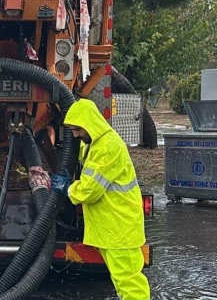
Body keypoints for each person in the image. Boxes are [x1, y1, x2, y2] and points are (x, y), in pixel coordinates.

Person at [50, 98, 151, 300]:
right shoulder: (94, 144)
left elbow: (90, 190)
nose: (75, 134)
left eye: (77, 129)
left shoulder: (107, 146)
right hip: (111, 228)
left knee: (129, 283)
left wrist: (68, 188)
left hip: (120, 229)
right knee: (123, 282)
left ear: (90, 124)